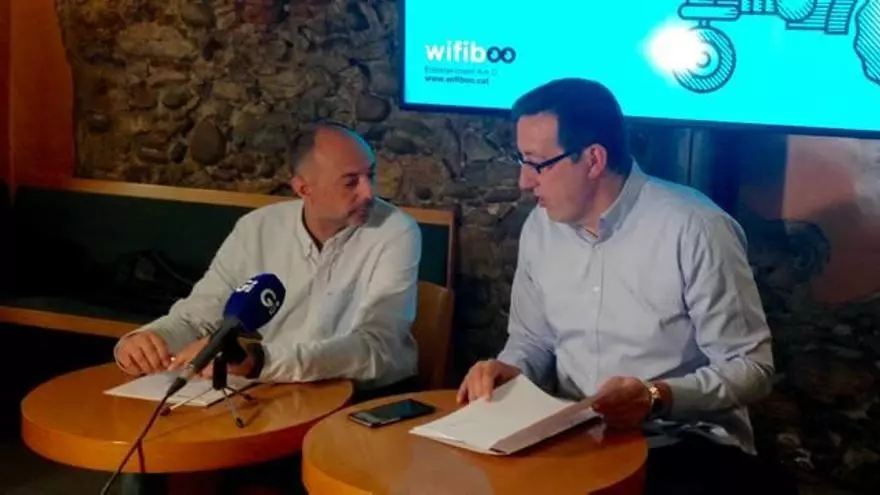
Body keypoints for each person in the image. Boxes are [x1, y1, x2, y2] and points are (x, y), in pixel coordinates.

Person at [457, 78, 795, 494]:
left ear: (593, 160)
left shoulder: (695, 228)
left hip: (681, 440)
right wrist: (508, 371)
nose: (524, 181)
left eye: (537, 164)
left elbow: (751, 368)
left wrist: (656, 396)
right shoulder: (541, 229)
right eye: (521, 160)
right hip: (576, 435)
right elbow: (532, 341)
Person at [113, 122, 421, 395]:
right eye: (351, 181)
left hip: (365, 396)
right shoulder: (257, 228)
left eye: (371, 174)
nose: (369, 193)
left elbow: (375, 347)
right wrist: (147, 340)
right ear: (303, 188)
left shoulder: (395, 231)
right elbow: (198, 315)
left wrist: (259, 361)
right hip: (281, 389)